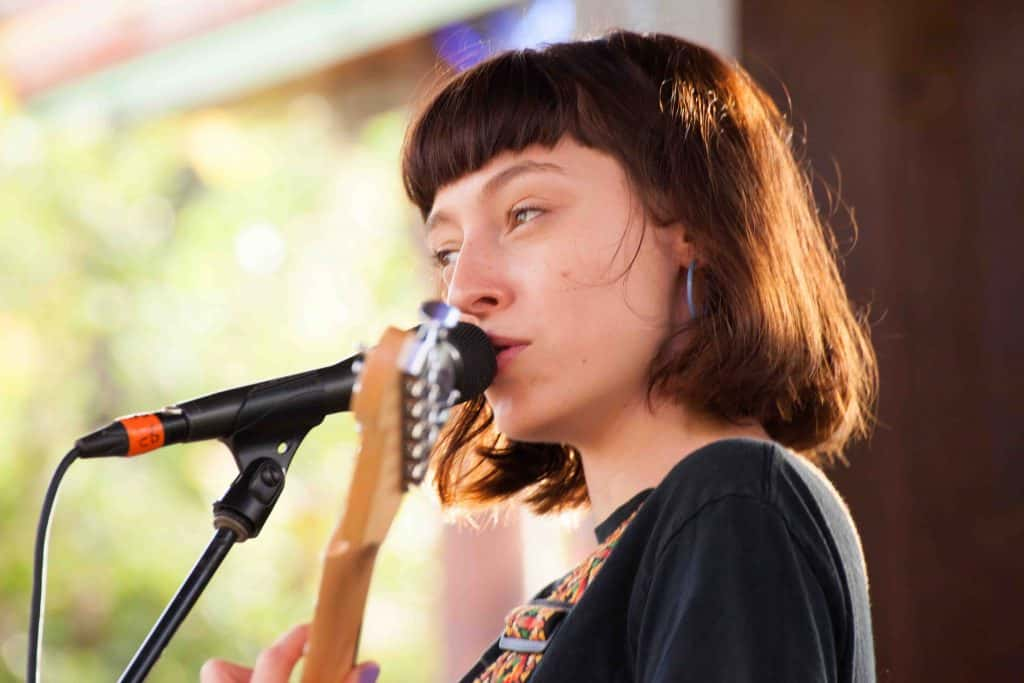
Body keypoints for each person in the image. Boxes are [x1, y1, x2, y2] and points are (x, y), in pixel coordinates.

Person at [202, 29, 878, 682]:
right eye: (445, 252)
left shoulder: (733, 500)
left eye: (525, 212)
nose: (464, 288)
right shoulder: (617, 572)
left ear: (692, 226)